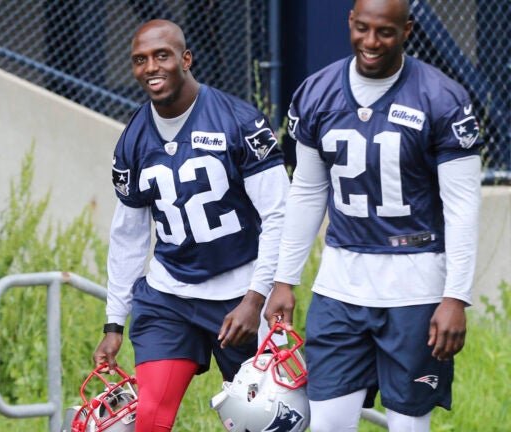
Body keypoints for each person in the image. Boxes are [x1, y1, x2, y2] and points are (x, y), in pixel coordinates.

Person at [265, 0, 482, 431]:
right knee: (326, 422)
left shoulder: (442, 98)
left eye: (384, 32)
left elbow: (462, 206)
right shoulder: (316, 93)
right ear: (350, 22)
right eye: (362, 28)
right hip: (340, 285)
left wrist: (456, 296)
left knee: (407, 424)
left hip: (415, 289)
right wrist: (283, 280)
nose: (370, 41)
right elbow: (308, 190)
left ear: (407, 30)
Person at [92, 19, 289, 431]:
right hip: (171, 295)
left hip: (239, 290)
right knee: (147, 418)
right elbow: (129, 237)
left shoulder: (239, 121)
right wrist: (114, 323)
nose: (151, 67)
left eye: (161, 56)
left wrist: (256, 298)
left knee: (260, 421)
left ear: (185, 58)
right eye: (140, 60)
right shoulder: (132, 141)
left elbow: (279, 214)